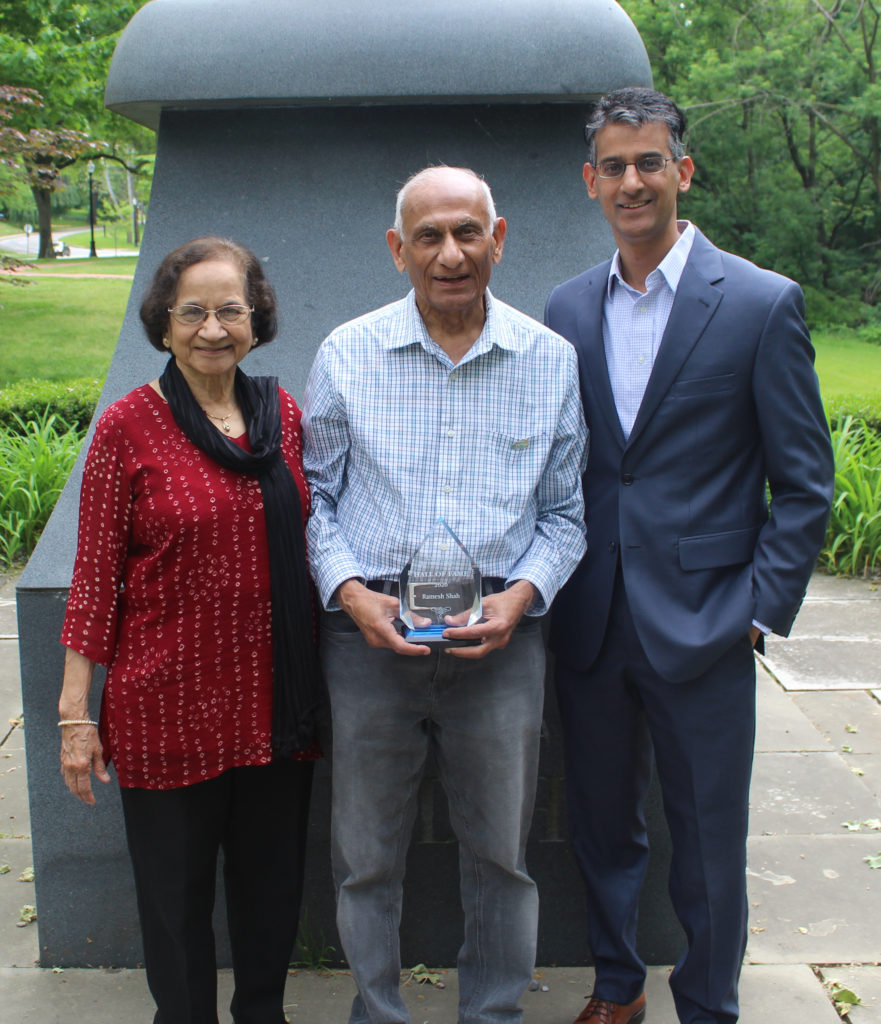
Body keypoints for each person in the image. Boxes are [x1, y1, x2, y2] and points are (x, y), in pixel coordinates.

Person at [544, 88, 835, 1024]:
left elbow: (803, 482)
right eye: (614, 166)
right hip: (590, 615)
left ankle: (708, 1003)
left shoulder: (756, 302)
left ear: (682, 170)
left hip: (708, 620)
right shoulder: (566, 307)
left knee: (709, 836)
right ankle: (617, 985)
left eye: (650, 162)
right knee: (599, 823)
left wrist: (757, 610)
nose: (633, 181)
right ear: (591, 182)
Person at [302, 165, 588, 1024]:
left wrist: (524, 596)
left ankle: (493, 1013)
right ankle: (377, 1012)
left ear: (498, 240)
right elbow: (314, 500)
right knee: (365, 857)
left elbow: (567, 514)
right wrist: (349, 593)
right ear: (398, 250)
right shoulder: (346, 354)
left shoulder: (549, 360)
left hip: (501, 640)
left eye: (468, 232)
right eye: (428, 235)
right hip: (368, 641)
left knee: (501, 854)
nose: (450, 252)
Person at [58, 236, 319, 1024]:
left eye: (230, 309)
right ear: (164, 324)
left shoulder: (283, 416)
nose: (213, 328)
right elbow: (95, 580)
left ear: (257, 318)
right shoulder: (127, 428)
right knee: (174, 907)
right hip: (165, 708)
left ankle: (262, 1015)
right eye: (193, 311)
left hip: (274, 707)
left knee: (271, 889)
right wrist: (76, 715)